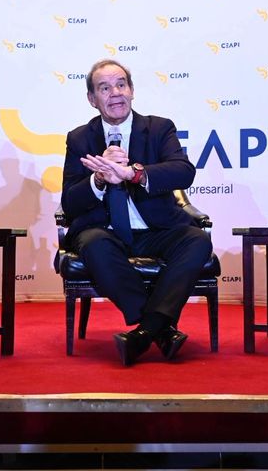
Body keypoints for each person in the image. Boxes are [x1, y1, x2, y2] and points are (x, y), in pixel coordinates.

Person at [61, 59, 213, 366]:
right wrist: (100, 177)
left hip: (157, 229)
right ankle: (159, 329)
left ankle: (143, 333)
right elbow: (70, 202)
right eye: (104, 88)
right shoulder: (80, 138)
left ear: (131, 91)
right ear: (92, 99)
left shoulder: (158, 128)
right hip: (106, 232)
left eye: (121, 85)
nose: (115, 93)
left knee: (197, 240)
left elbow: (183, 172)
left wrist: (133, 173)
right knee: (93, 244)